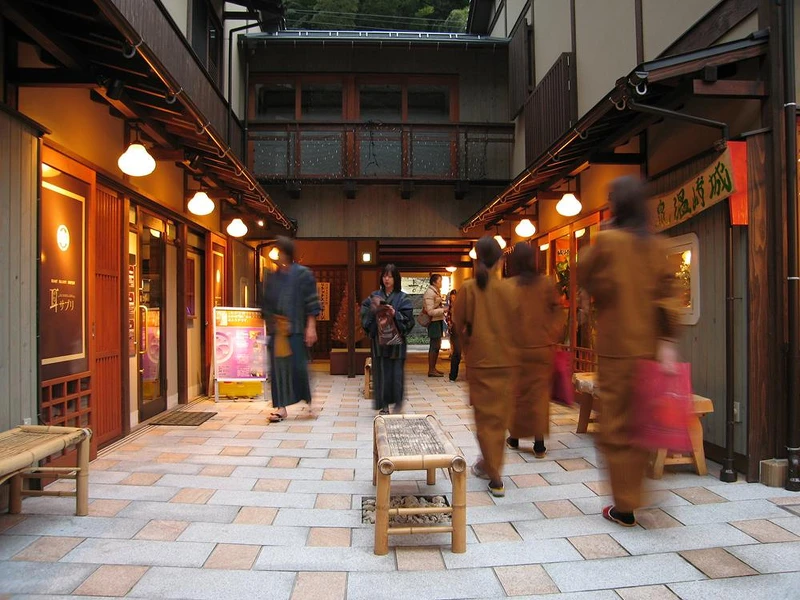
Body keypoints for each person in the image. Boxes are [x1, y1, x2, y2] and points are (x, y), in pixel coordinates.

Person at [577, 176, 680, 527]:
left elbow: (585, 273)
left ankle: (624, 505)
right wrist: (667, 341)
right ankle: (637, 489)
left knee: (617, 428)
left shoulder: (607, 242)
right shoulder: (656, 245)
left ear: (616, 206)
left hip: (616, 348)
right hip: (648, 348)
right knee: (641, 423)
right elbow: (668, 295)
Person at [452, 236, 518, 497]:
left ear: (477, 260)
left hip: (481, 361)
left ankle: (494, 474)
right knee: (499, 421)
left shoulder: (469, 289)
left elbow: (459, 324)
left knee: (484, 421)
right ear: (501, 260)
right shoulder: (511, 290)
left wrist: (468, 347)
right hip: (506, 362)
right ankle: (491, 466)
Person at [505, 242, 562, 458]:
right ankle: (539, 444)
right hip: (542, 349)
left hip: (517, 350)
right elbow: (557, 312)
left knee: (517, 396)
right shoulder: (546, 284)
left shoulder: (510, 286)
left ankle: (515, 437)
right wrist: (551, 335)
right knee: (539, 396)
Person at [261, 236, 321, 423]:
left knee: (298, 367)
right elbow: (266, 304)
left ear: (286, 253)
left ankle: (308, 401)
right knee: (278, 370)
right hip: (277, 331)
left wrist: (311, 326)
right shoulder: (272, 277)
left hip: (295, 328)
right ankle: (281, 408)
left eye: (279, 252)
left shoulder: (303, 274)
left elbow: (311, 301)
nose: (277, 256)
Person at [361, 264, 415, 414]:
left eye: (390, 276)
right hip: (379, 343)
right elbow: (365, 315)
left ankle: (397, 402)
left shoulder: (403, 297)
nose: (387, 279)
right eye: (384, 276)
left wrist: (395, 313)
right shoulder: (374, 296)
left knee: (396, 374)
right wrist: (373, 309)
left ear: (396, 278)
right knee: (381, 373)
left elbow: (409, 320)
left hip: (396, 344)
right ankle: (384, 405)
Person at [423, 274, 447, 377]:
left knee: (437, 345)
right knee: (434, 345)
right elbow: (430, 311)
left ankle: (433, 368)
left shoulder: (435, 292)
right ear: (434, 282)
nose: (441, 283)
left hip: (437, 320)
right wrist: (443, 310)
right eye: (440, 281)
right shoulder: (430, 293)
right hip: (433, 321)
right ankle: (431, 369)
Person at [445, 289, 461, 382]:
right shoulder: (450, 307)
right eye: (452, 296)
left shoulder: (461, 306)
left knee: (458, 353)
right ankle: (453, 375)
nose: (453, 298)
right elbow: (448, 318)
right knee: (456, 353)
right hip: (455, 330)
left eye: (455, 296)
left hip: (461, 330)